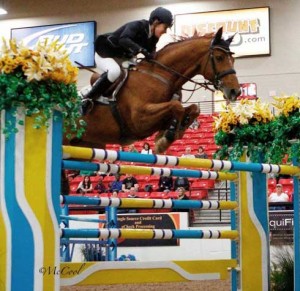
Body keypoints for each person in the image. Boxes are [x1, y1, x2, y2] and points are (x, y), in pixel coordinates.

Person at [81, 7, 173, 101]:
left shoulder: (153, 37)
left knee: (138, 72)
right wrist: (141, 49)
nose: (165, 31)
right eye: (165, 27)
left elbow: (151, 54)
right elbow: (124, 39)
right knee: (115, 71)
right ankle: (88, 98)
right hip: (105, 53)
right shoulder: (137, 25)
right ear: (156, 22)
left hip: (123, 57)